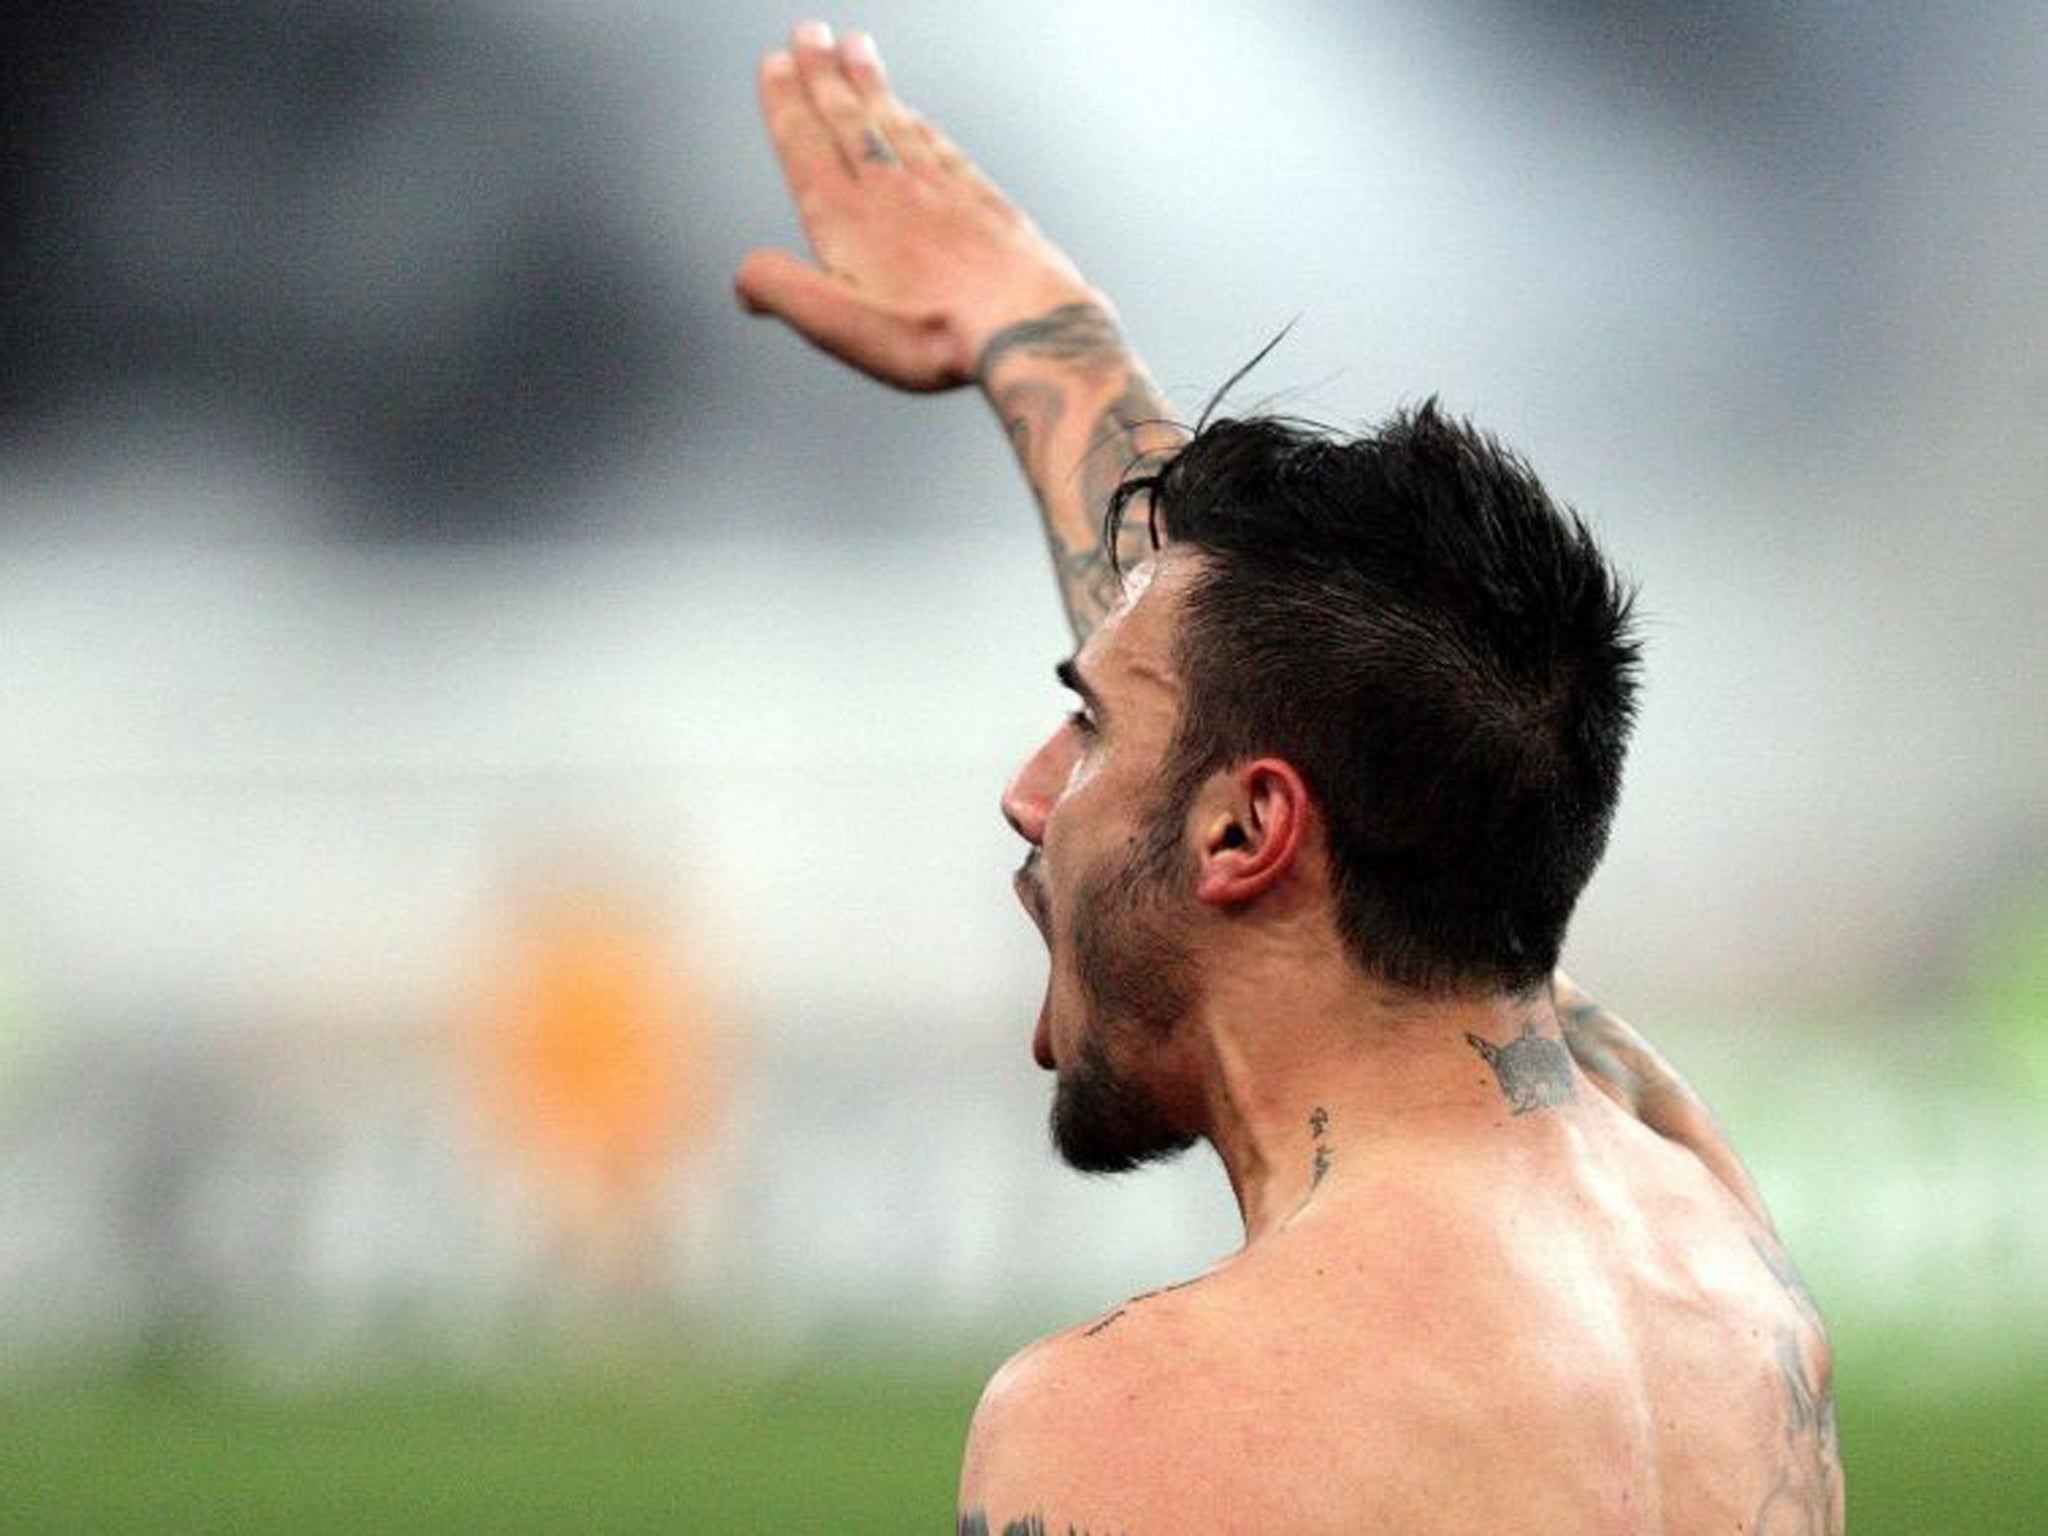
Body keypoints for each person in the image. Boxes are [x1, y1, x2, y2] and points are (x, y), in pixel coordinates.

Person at [736, 22, 1843, 1535]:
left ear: (1253, 828)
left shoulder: (1131, 1428)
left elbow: (1255, 692)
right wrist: (1035, 330)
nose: (1029, 792)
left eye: (1088, 732)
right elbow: (1294, 695)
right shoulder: (1717, 1264)